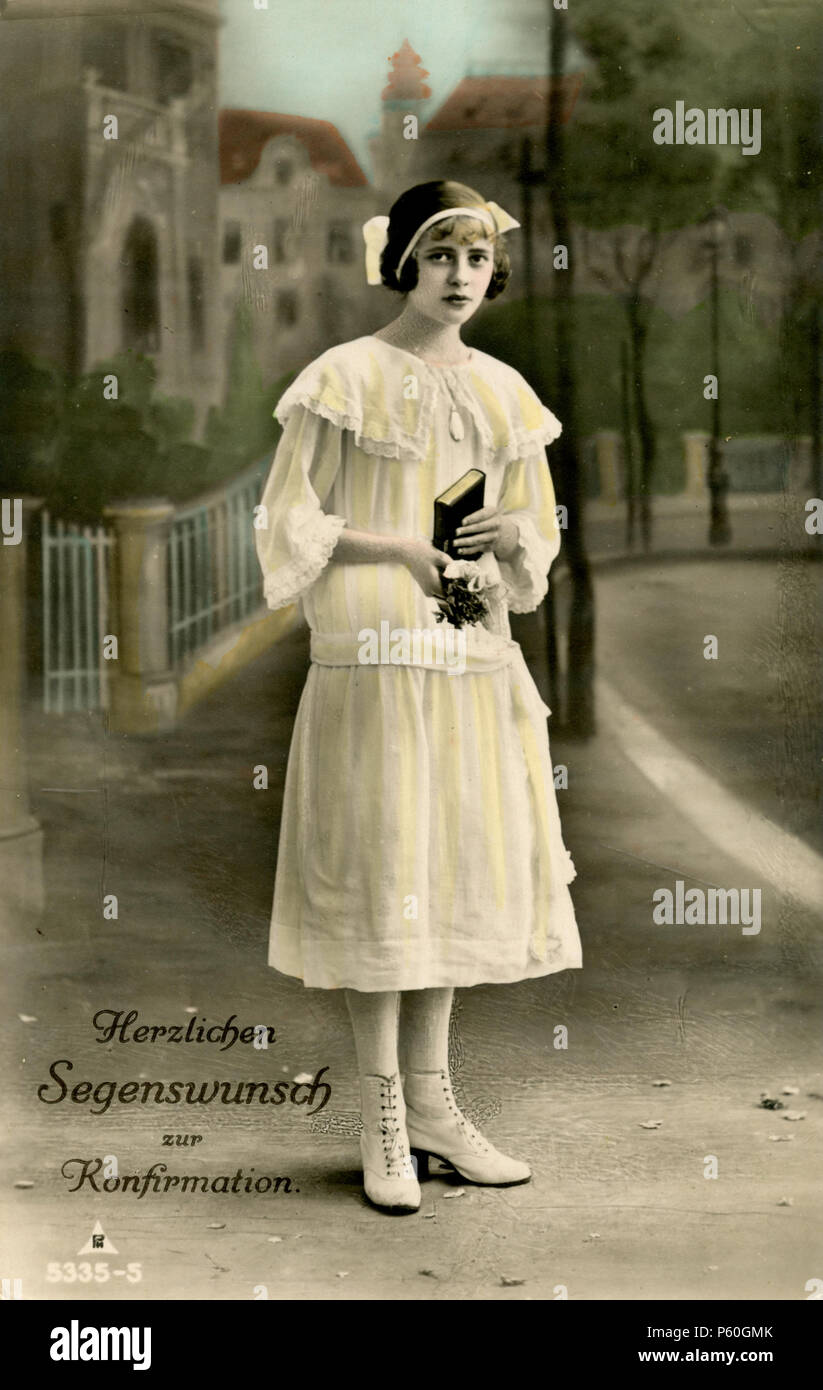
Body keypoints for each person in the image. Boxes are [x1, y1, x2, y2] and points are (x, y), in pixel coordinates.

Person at [255, 179, 582, 1215]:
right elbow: (286, 521)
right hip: (372, 654)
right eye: (439, 254)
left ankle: (437, 1106)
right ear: (402, 261)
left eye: (476, 259)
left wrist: (510, 541)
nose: (459, 276)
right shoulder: (342, 376)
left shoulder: (503, 392)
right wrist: (398, 544)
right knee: (385, 862)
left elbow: (536, 533)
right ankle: (382, 1113)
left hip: (464, 656)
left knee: (442, 870)